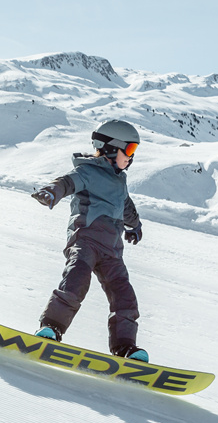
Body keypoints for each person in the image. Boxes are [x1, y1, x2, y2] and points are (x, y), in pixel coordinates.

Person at [31, 120, 148, 362]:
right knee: (76, 282)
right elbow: (66, 182)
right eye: (129, 150)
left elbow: (126, 205)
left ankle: (126, 348)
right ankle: (51, 328)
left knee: (125, 297)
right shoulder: (88, 172)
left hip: (112, 251)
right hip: (86, 241)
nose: (131, 157)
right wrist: (51, 192)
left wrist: (134, 225)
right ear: (110, 148)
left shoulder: (119, 181)